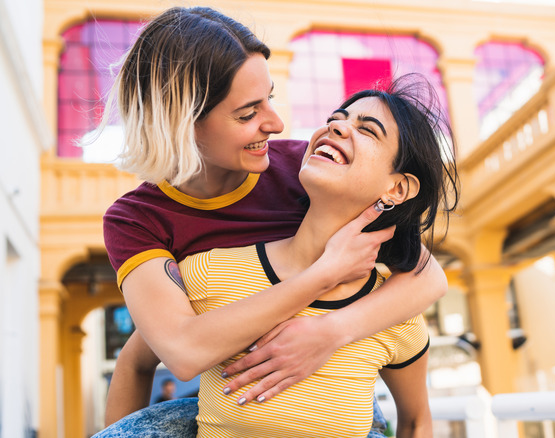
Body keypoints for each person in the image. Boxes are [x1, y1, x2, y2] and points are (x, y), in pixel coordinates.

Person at [92, 6, 449, 437]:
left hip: (336, 392)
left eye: (270, 98)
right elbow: (171, 351)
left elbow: (427, 277)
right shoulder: (140, 222)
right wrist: (323, 273)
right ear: (180, 123)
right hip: (233, 399)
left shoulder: (307, 168)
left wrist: (328, 334)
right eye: (247, 114)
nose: (276, 124)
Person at [185, 75, 456, 437]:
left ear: (397, 188)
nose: (336, 127)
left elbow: (416, 421)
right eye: (336, 119)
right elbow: (139, 362)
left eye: (368, 130)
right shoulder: (209, 270)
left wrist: (332, 332)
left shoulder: (395, 312)